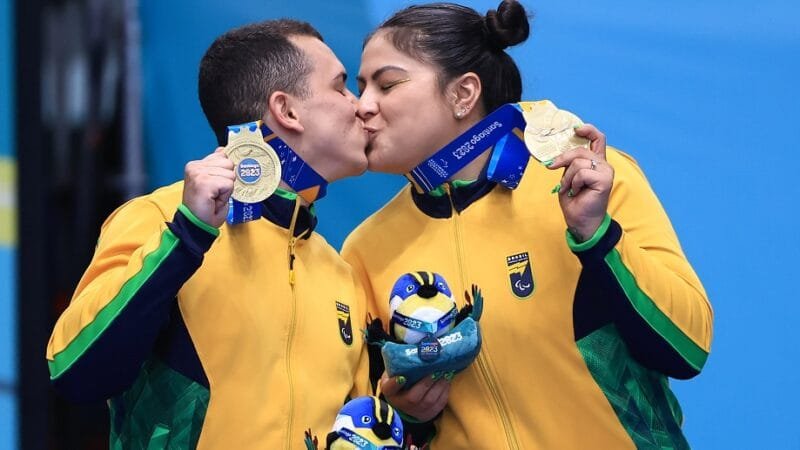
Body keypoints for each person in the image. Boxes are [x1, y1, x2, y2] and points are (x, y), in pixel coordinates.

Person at [342, 1, 713, 448]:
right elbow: (377, 427)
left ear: (463, 94)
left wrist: (597, 238)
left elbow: (689, 347)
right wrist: (408, 414)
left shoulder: (585, 180)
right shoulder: (366, 249)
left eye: (387, 84)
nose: (363, 106)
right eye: (360, 87)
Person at [46, 19, 371, 449]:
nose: (360, 106)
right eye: (341, 86)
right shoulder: (161, 219)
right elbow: (75, 372)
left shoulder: (340, 272)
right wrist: (187, 237)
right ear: (287, 110)